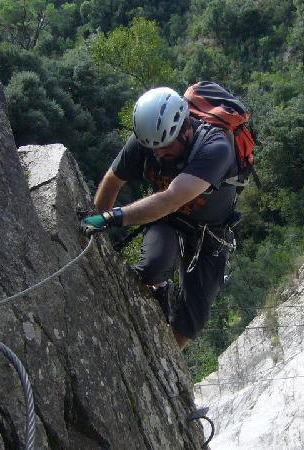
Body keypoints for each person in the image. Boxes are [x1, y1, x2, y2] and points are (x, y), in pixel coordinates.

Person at [80, 87, 239, 350]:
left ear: (185, 131)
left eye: (165, 149)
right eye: (152, 149)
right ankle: (159, 288)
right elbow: (113, 180)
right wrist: (95, 225)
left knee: (193, 319)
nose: (157, 155)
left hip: (210, 233)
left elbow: (170, 198)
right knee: (152, 267)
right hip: (168, 220)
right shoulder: (147, 142)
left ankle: (163, 360)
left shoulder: (215, 148)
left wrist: (110, 218)